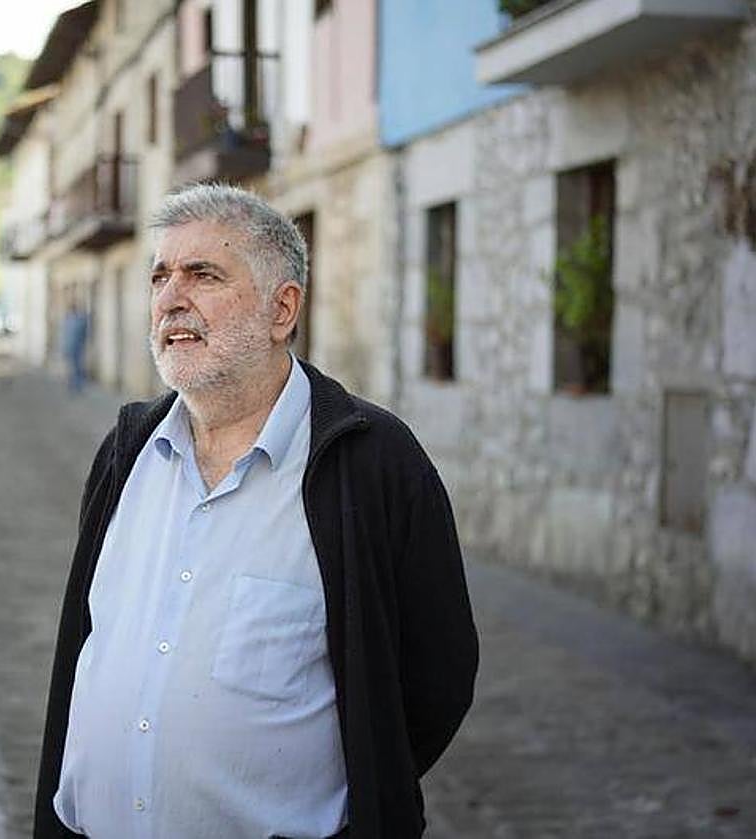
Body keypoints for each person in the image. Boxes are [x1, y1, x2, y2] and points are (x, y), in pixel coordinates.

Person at [35, 184, 478, 839]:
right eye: (160, 275)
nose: (170, 297)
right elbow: (86, 648)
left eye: (202, 274)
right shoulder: (124, 452)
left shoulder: (371, 462)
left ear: (282, 309)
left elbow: (434, 677)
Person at [61, 298, 90, 393]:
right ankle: (73, 385)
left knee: (78, 366)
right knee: (72, 367)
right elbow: (64, 335)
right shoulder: (69, 320)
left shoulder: (79, 320)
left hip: (77, 347)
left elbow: (84, 334)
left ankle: (78, 385)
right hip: (72, 347)